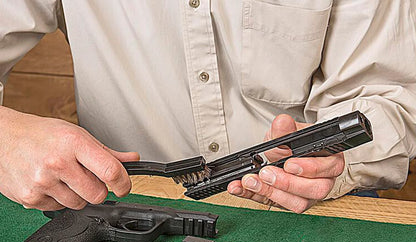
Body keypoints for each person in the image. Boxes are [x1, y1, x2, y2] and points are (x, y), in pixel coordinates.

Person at [0, 1, 415, 213]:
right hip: (120, 208)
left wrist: (339, 163)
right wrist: (5, 137)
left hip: (323, 204)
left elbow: (391, 95)